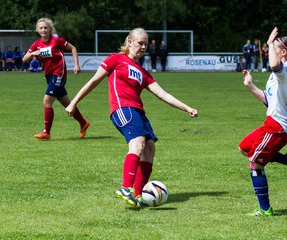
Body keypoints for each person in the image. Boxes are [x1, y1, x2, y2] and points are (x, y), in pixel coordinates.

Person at [65, 28, 197, 207]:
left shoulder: (144, 72)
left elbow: (163, 94)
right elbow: (93, 81)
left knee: (149, 148)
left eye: (145, 44)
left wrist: (186, 107)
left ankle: (139, 194)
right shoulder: (116, 59)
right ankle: (125, 187)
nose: (142, 47)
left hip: (139, 113)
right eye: (139, 43)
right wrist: (73, 102)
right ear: (129, 42)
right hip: (122, 109)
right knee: (138, 143)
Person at [239, 27, 287, 217]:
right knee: (244, 148)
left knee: (255, 164)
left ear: (283, 52)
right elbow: (269, 101)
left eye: (274, 48)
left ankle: (265, 209)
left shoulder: (286, 69)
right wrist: (251, 86)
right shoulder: (280, 74)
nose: (269, 50)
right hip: (273, 122)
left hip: (279, 126)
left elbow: (274, 65)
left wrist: (270, 42)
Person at [22, 17, 90, 140]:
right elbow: (24, 59)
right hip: (49, 76)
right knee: (67, 103)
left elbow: (73, 48)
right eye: (41, 28)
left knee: (46, 102)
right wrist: (33, 53)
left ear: (50, 29)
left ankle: (46, 132)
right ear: (37, 30)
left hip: (59, 74)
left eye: (45, 27)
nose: (43, 30)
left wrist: (76, 64)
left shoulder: (57, 41)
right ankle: (83, 123)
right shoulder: (37, 44)